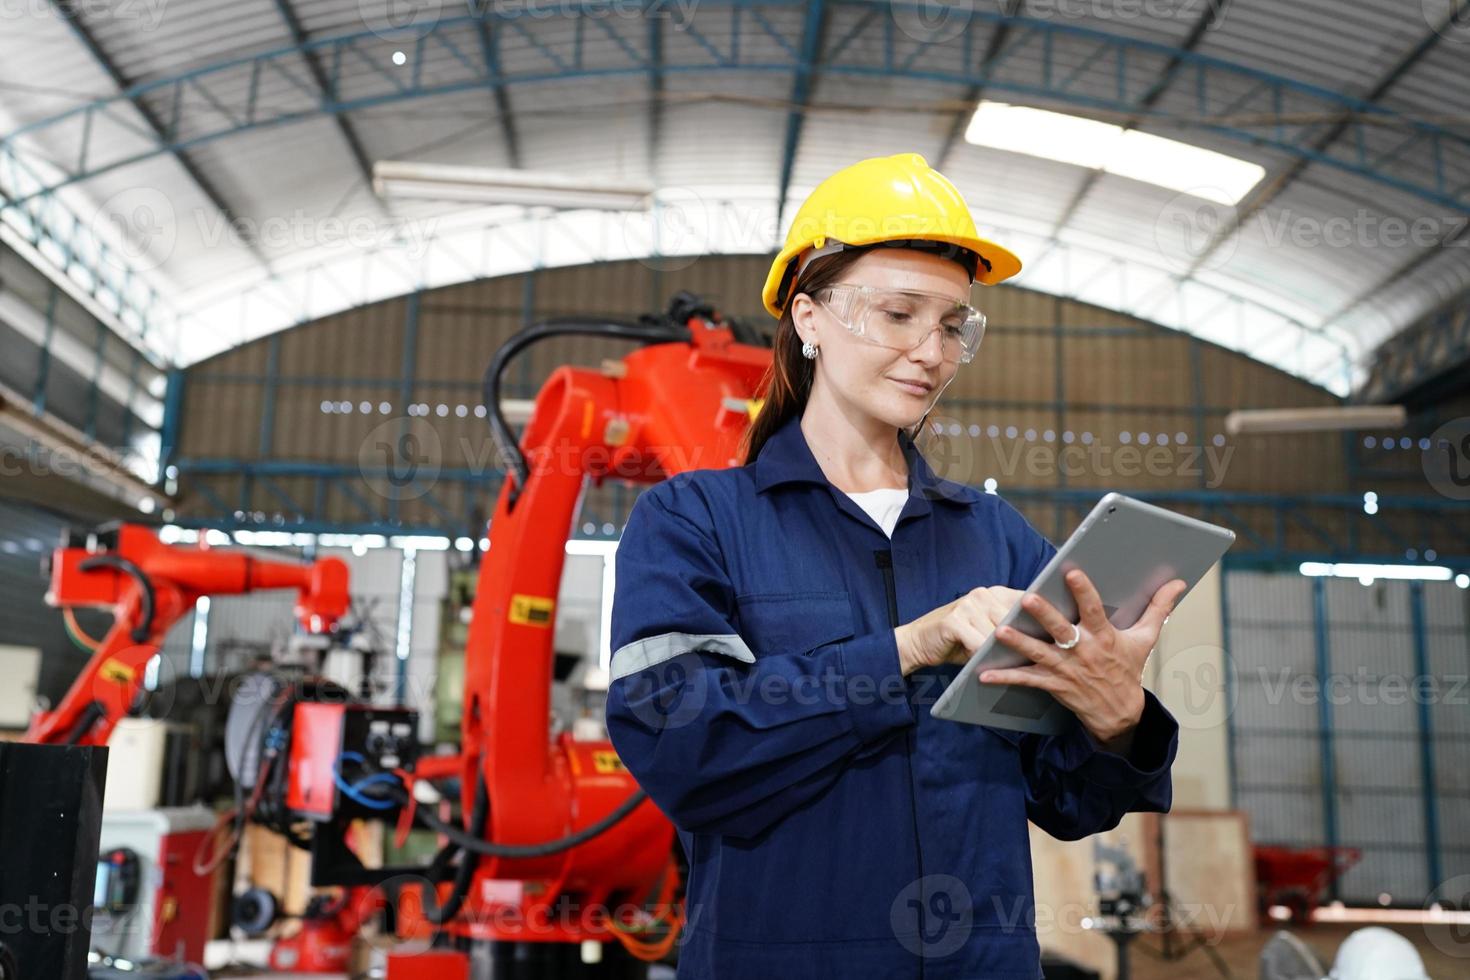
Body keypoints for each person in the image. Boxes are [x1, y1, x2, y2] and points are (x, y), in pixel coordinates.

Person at [605, 152, 1186, 979]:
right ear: (807, 318)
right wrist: (907, 648)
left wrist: (1115, 719)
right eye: (900, 314)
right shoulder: (696, 520)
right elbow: (685, 746)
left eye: (952, 325)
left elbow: (1067, 802)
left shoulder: (995, 537)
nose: (931, 352)